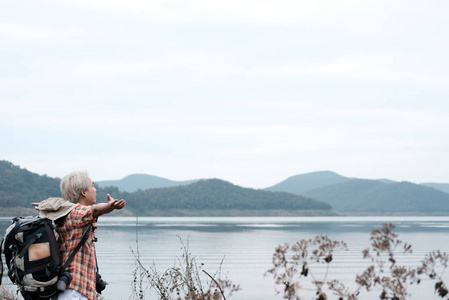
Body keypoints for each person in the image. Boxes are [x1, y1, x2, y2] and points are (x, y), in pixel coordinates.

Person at [33, 171, 126, 300]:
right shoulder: (76, 214)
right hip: (74, 292)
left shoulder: (66, 213)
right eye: (92, 186)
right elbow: (95, 210)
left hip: (70, 290)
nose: (95, 189)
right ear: (83, 192)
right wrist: (109, 207)